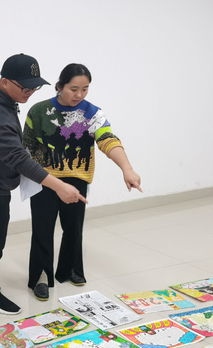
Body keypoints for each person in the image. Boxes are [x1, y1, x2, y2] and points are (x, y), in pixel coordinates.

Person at [0, 54, 87, 315]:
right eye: (25, 88)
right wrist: (59, 186)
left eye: (34, 88)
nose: (29, 93)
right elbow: (16, 157)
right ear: (5, 81)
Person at [23, 63, 142, 301]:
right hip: (45, 180)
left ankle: (70, 270)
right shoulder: (39, 111)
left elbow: (108, 140)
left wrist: (127, 169)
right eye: (74, 89)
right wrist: (38, 177)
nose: (79, 95)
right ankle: (41, 277)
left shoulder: (92, 113)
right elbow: (26, 147)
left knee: (74, 228)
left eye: (85, 89)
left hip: (77, 179)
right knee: (43, 229)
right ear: (59, 86)